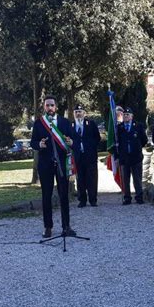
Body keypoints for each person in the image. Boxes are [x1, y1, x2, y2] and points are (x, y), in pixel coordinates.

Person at [30, 96, 76, 238]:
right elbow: (33, 142)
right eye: (47, 105)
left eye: (52, 105)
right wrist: (39, 144)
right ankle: (48, 227)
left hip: (61, 163)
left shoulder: (64, 122)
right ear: (44, 107)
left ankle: (66, 226)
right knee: (46, 196)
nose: (50, 108)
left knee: (64, 195)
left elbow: (73, 139)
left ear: (56, 107)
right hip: (45, 164)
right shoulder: (39, 124)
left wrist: (70, 141)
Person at [71, 104, 101, 208]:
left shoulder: (91, 124)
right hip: (78, 156)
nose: (78, 114)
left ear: (84, 113)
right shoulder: (71, 125)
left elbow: (97, 138)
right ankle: (82, 200)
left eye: (80, 112)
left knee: (91, 178)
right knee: (80, 179)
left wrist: (90, 147)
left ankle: (93, 200)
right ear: (74, 114)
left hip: (90, 156)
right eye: (76, 112)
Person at [117, 107, 148, 205]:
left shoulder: (138, 126)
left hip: (136, 157)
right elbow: (116, 141)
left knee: (137, 178)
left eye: (128, 114)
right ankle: (127, 198)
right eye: (124, 115)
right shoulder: (119, 127)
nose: (126, 116)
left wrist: (137, 148)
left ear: (132, 116)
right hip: (124, 158)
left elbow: (144, 140)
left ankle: (139, 197)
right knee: (125, 179)